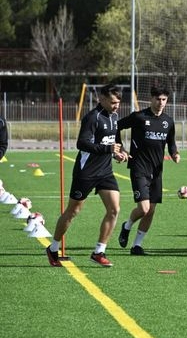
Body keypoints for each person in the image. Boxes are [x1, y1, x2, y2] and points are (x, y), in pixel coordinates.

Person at [45, 84, 128, 267]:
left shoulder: (114, 117)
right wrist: (108, 149)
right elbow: (82, 143)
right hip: (86, 172)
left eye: (118, 103)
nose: (116, 106)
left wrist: (119, 153)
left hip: (105, 172)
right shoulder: (92, 118)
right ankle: (53, 248)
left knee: (114, 209)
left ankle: (99, 251)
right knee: (73, 211)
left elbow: (114, 141)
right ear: (102, 99)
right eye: (113, 102)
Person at [116, 85, 180, 256]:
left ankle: (137, 245)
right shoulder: (139, 117)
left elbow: (171, 143)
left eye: (164, 99)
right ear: (151, 99)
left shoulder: (168, 121)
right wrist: (120, 148)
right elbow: (116, 126)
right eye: (158, 99)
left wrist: (175, 153)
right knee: (144, 208)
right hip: (138, 167)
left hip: (157, 171)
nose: (161, 102)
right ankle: (127, 225)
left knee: (151, 210)